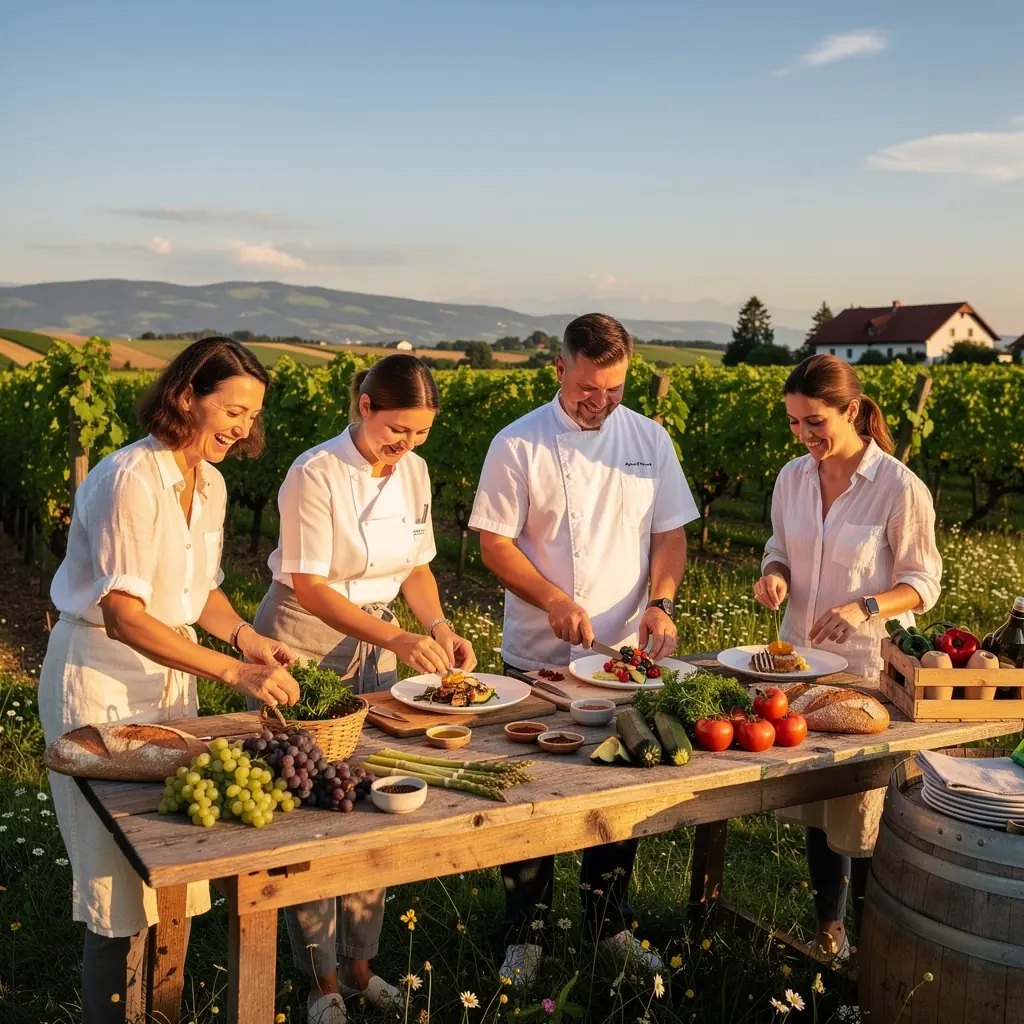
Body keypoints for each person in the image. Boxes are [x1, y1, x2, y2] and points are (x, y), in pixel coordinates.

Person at [38, 337, 301, 1024]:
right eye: (233, 409)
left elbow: (196, 594)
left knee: (173, 868)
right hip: (100, 678)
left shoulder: (208, 483)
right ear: (186, 396)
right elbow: (125, 617)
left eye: (251, 416)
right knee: (116, 888)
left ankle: (161, 1011)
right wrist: (231, 670)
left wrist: (251, 639)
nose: (244, 428)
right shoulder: (131, 477)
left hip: (169, 677)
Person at [470, 313, 699, 985]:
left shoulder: (649, 438)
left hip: (620, 657)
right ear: (559, 371)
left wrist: (661, 602)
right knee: (532, 799)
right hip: (539, 653)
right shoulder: (518, 444)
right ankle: (526, 933)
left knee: (617, 797)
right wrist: (553, 599)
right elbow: (494, 544)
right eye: (587, 389)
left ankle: (610, 923)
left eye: (614, 389)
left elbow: (670, 534)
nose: (599, 402)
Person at [252, 353, 477, 1024]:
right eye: (396, 431)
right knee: (308, 804)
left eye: (420, 435)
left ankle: (361, 964)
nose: (405, 446)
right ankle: (321, 979)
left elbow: (416, 567)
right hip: (303, 642)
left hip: (377, 644)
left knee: (370, 798)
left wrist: (435, 623)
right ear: (364, 407)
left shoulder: (415, 473)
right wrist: (399, 641)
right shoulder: (314, 473)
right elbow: (315, 588)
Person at [753, 354, 941, 961]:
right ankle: (827, 931)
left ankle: (871, 948)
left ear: (852, 411)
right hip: (801, 667)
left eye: (814, 422)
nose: (804, 436)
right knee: (819, 807)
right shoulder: (791, 478)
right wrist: (774, 575)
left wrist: (866, 605)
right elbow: (778, 546)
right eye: (793, 424)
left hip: (866, 674)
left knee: (861, 813)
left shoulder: (897, 487)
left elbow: (923, 583)